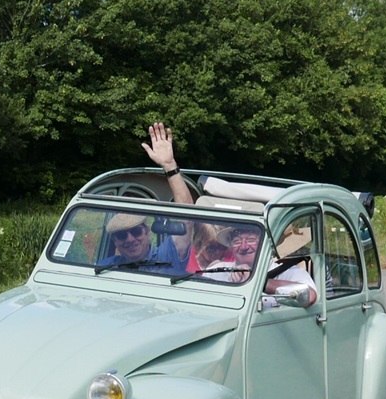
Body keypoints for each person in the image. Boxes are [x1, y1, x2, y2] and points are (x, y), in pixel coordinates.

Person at [142, 123, 317, 303]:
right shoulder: (219, 270)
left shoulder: (290, 272)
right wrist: (170, 166)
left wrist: (258, 281)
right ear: (232, 247)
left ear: (267, 243)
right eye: (237, 240)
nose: (243, 245)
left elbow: (309, 296)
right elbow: (186, 215)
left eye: (251, 238)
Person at [101, 212, 188, 274]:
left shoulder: (167, 255)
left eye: (136, 231)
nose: (130, 239)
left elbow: (187, 219)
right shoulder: (106, 266)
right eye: (122, 235)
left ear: (147, 232)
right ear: (115, 242)